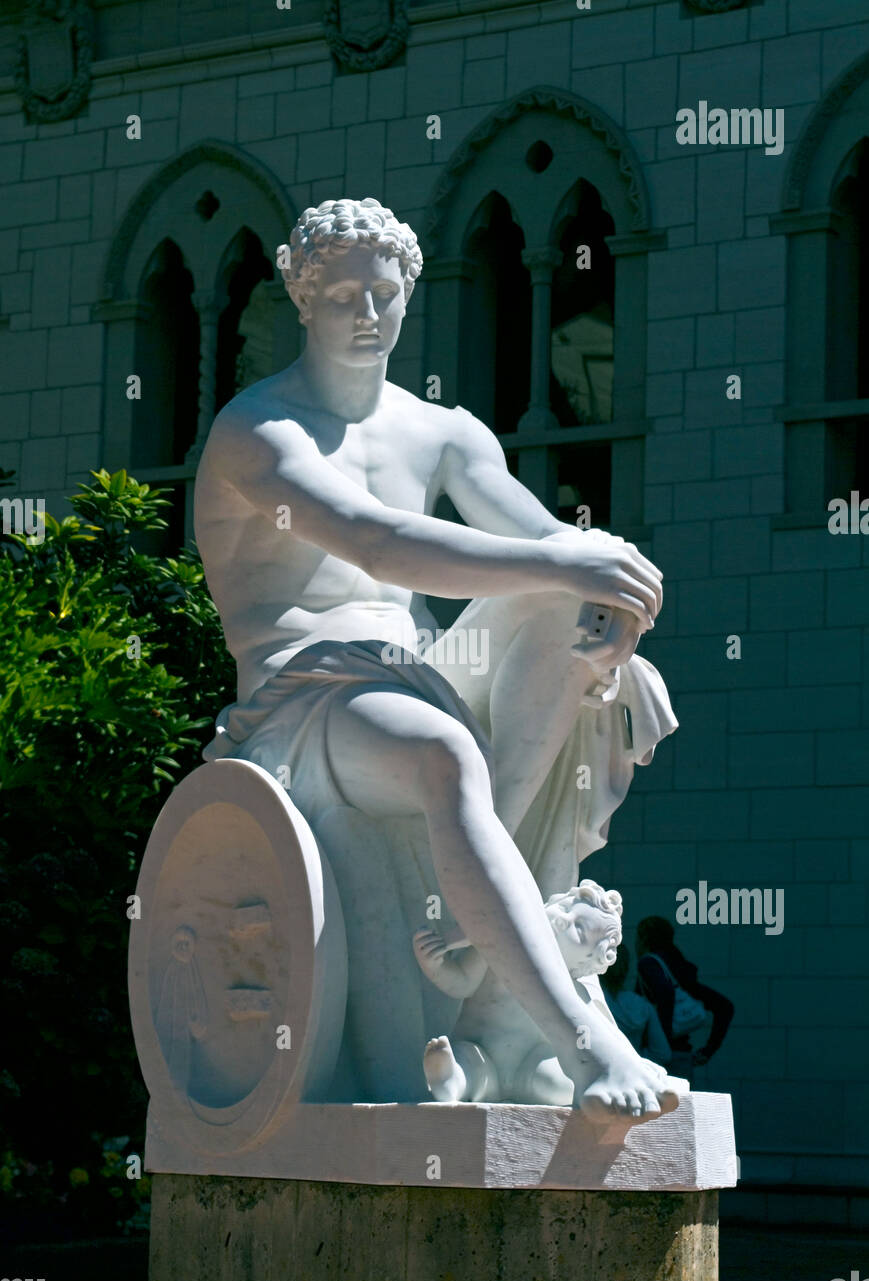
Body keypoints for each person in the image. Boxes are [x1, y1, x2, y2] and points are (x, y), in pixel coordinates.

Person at [194, 196, 682, 1120]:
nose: (366, 315)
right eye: (341, 296)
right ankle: (585, 1046)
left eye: (383, 294)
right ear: (302, 298)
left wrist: (604, 608)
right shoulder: (257, 432)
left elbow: (544, 552)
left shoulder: (444, 431)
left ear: (408, 295)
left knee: (554, 608)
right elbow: (373, 542)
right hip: (303, 692)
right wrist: (570, 561)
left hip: (416, 671)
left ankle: (472, 917)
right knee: (440, 749)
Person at [636, 916, 734, 1069]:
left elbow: (666, 994)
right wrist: (708, 1050)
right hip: (683, 1055)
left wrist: (662, 1043)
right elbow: (725, 1007)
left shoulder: (648, 964)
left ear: (644, 938)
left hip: (658, 1057)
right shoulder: (681, 970)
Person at [601, 943, 672, 1069]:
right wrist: (636, 1059)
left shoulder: (592, 1001)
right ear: (627, 968)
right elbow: (663, 1054)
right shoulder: (643, 1006)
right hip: (632, 1075)